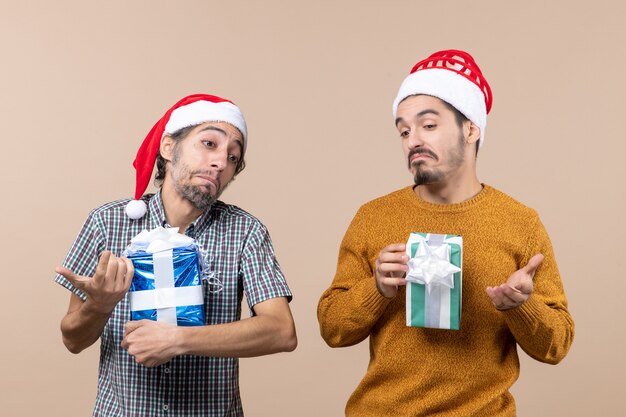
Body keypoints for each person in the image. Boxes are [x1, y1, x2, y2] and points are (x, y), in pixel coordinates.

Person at [317, 50, 574, 416]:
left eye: (428, 125)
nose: (412, 140)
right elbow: (332, 329)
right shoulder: (374, 216)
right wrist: (376, 288)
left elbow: (557, 345)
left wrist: (522, 306)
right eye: (404, 130)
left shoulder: (520, 222)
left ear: (471, 129)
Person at [55, 94, 297, 416]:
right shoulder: (106, 223)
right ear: (169, 148)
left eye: (233, 157)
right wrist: (99, 307)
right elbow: (73, 340)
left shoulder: (246, 232)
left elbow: (281, 331)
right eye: (209, 143)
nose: (221, 162)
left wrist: (178, 339)